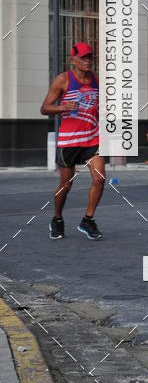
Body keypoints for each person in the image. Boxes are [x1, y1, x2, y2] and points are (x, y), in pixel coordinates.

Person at [40, 42, 104, 240]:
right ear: (73, 60)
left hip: (92, 137)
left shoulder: (96, 79)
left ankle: (88, 220)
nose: (87, 61)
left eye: (90, 57)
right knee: (66, 185)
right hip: (69, 140)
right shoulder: (63, 80)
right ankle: (57, 219)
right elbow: (44, 108)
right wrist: (61, 108)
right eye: (83, 57)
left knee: (100, 179)